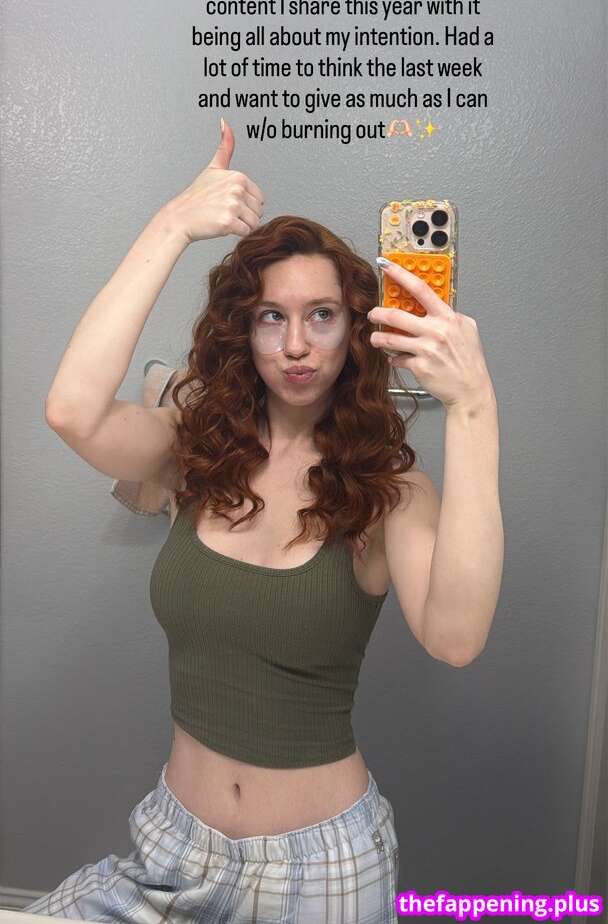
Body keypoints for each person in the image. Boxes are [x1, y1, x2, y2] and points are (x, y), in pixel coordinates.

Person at [26, 118, 503, 924]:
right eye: (271, 317)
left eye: (322, 315)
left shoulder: (388, 491)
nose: (296, 345)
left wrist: (474, 405)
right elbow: (72, 411)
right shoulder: (196, 449)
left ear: (357, 329)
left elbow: (456, 638)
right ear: (242, 331)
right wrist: (172, 225)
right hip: (171, 849)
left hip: (320, 875)